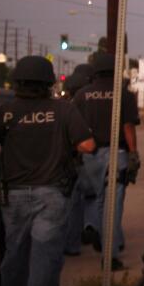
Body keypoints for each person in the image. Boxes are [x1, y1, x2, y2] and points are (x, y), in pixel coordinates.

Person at [0, 56, 95, 286]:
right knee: (45, 256)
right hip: (51, 193)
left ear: (17, 83)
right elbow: (87, 144)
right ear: (49, 83)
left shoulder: (5, 113)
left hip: (12, 195)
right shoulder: (63, 111)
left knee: (15, 252)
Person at [74, 51, 140, 270]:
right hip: (116, 153)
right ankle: (109, 257)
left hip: (90, 155)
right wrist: (133, 153)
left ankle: (103, 240)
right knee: (114, 204)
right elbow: (128, 127)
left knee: (101, 200)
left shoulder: (82, 95)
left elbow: (74, 128)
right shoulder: (124, 94)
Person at [61, 62, 94, 257]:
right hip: (83, 155)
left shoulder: (69, 104)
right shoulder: (84, 100)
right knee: (82, 200)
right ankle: (82, 235)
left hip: (71, 158)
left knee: (73, 202)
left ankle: (72, 241)